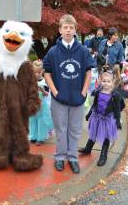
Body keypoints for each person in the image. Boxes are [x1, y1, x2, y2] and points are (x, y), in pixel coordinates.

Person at [43, 14, 94, 173]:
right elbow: (47, 73)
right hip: (59, 98)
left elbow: (88, 73)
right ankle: (60, 157)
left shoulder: (83, 51)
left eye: (71, 27)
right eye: (65, 27)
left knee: (75, 129)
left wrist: (84, 92)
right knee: (61, 129)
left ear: (75, 30)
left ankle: (72, 158)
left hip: (77, 98)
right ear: (60, 30)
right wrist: (55, 92)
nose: (68, 30)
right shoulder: (53, 51)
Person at [78, 69, 125, 166]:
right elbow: (94, 104)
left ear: (113, 82)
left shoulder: (115, 95)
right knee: (93, 133)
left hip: (107, 119)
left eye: (108, 81)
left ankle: (103, 155)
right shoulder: (98, 92)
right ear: (100, 81)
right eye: (104, 81)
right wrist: (89, 114)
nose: (106, 83)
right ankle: (88, 148)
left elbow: (117, 108)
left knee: (106, 137)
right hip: (97, 117)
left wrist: (117, 121)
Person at [29, 60, 54, 145]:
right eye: (35, 72)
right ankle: (33, 136)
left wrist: (42, 90)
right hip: (32, 104)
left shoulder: (44, 81)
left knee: (41, 121)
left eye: (39, 72)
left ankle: (40, 137)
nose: (37, 74)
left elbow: (47, 94)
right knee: (32, 120)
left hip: (42, 106)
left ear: (42, 71)